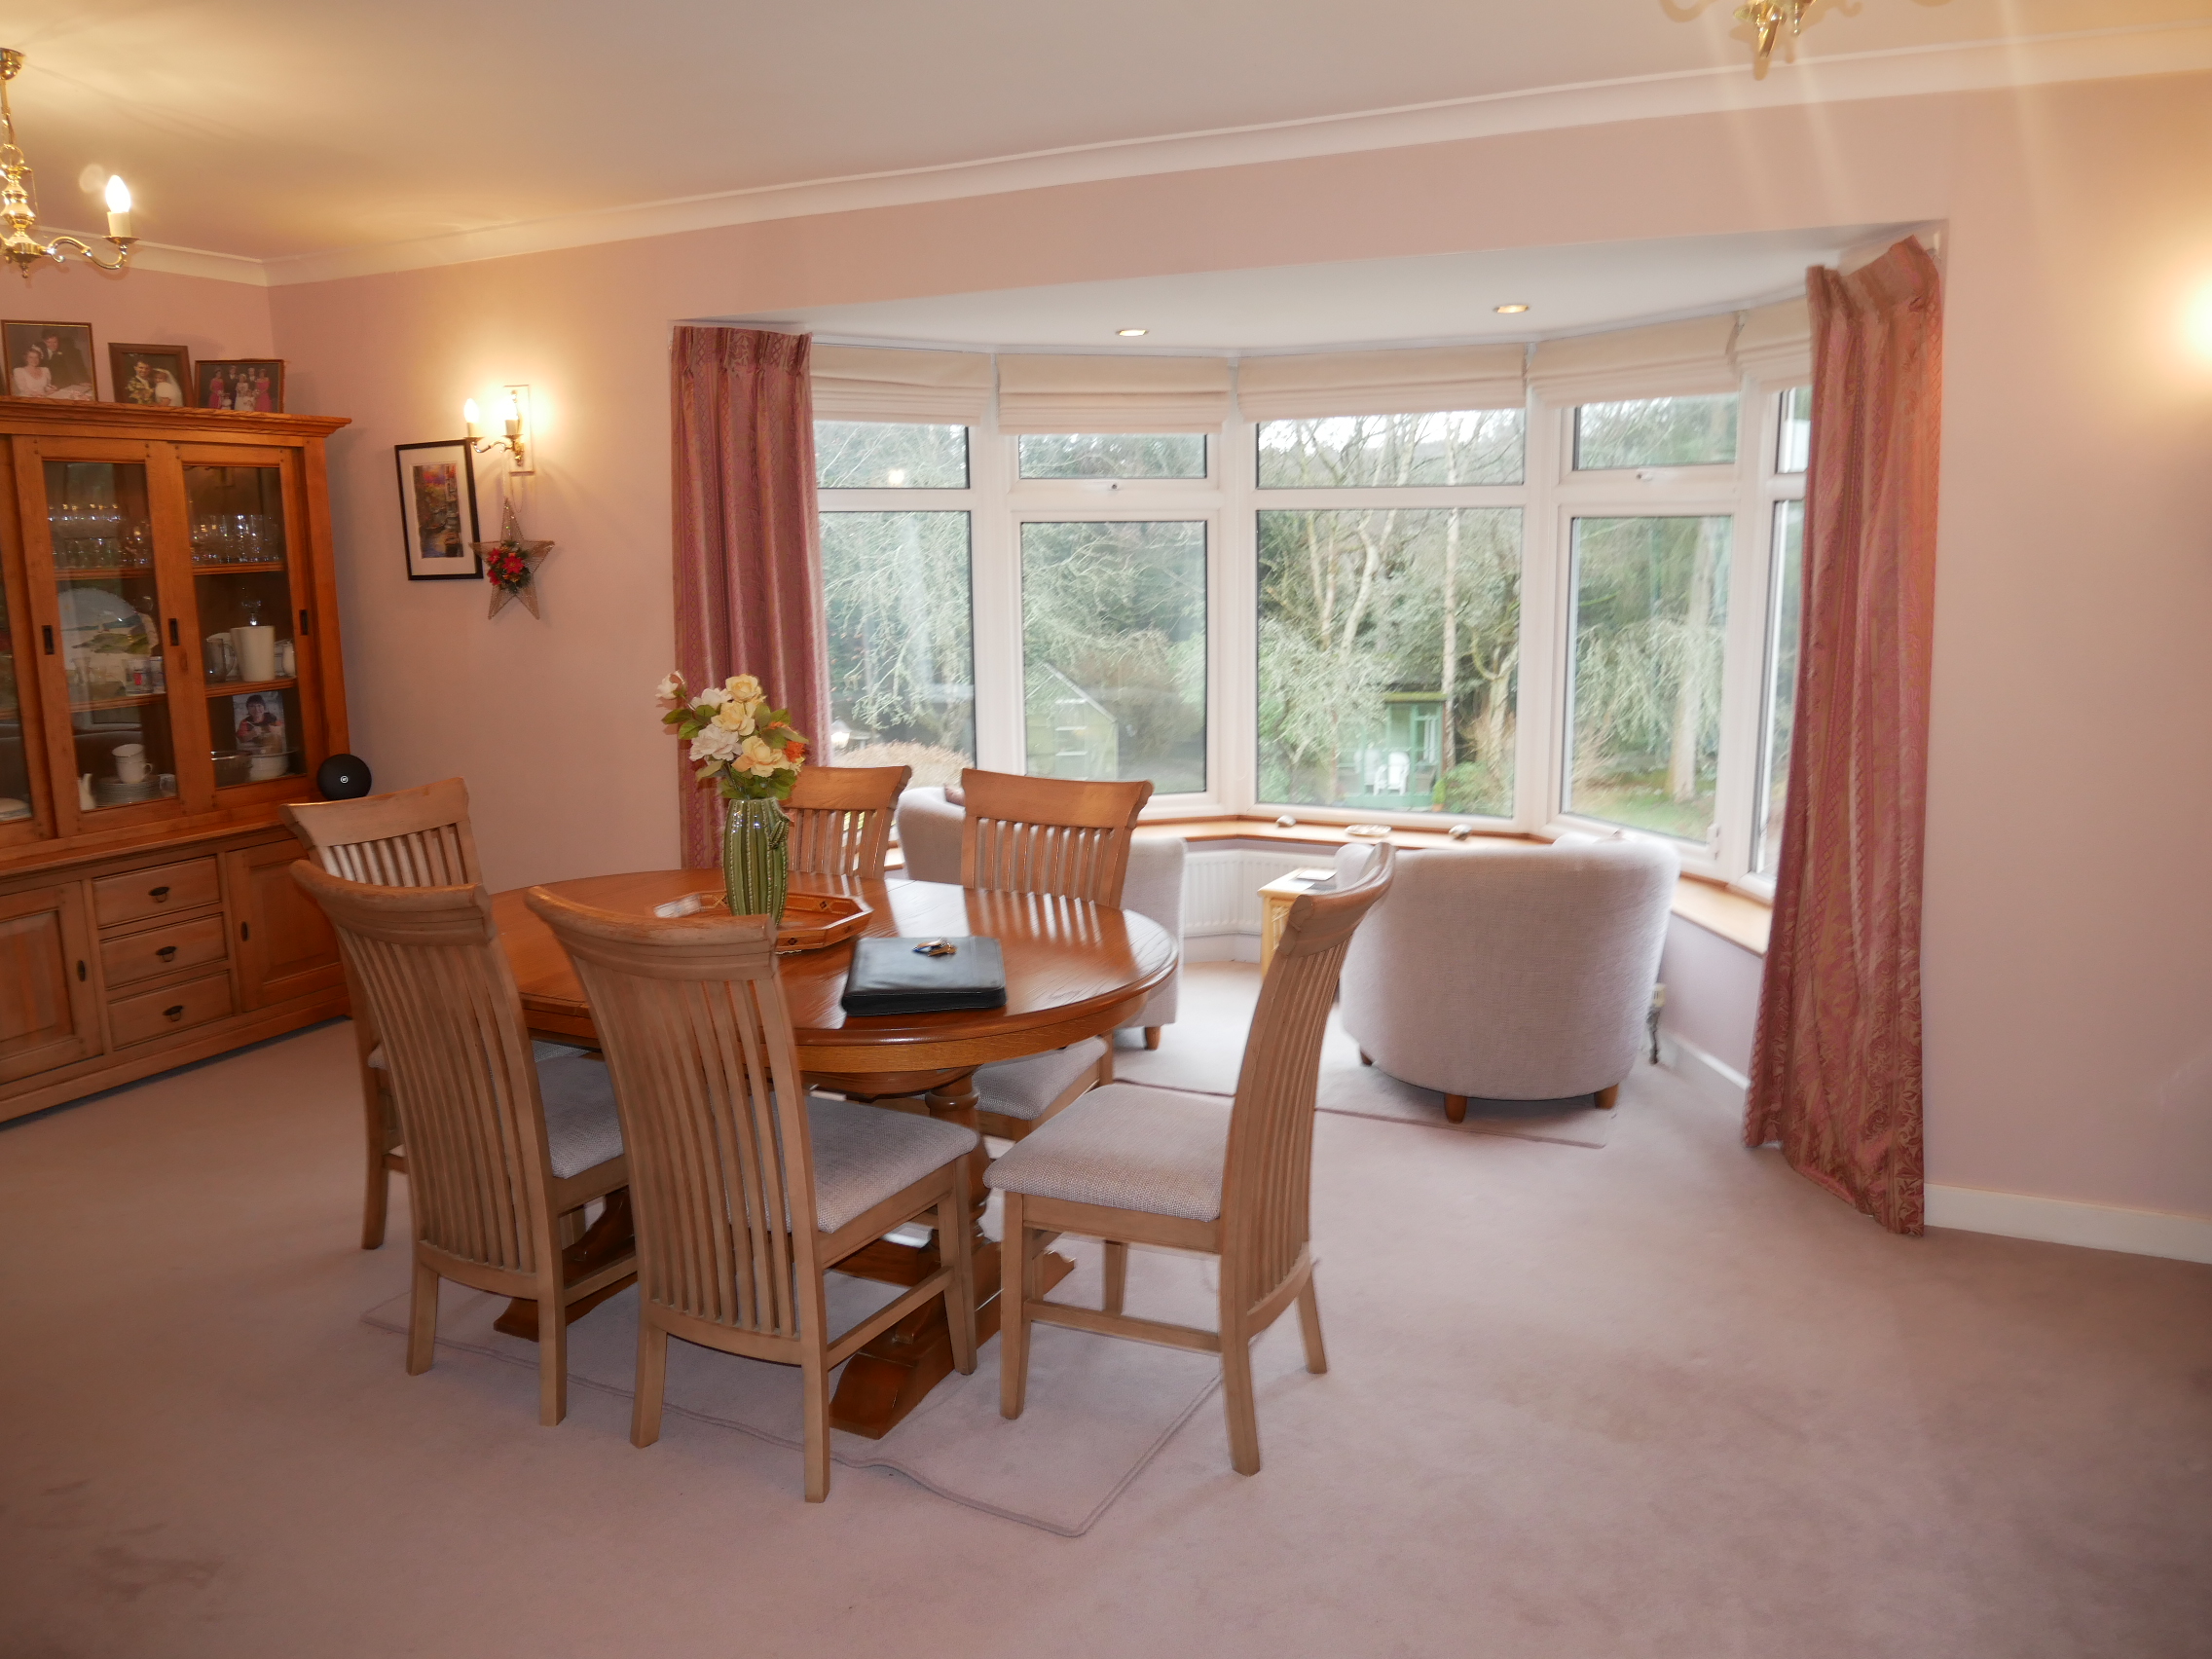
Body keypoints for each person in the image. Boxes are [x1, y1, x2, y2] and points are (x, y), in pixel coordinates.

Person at [40, 331, 92, 396]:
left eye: (55, 342)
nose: (52, 345)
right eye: (49, 342)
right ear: (44, 341)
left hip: (63, 384)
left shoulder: (66, 352)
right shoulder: (39, 351)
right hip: (44, 385)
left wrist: (80, 381)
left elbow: (72, 369)